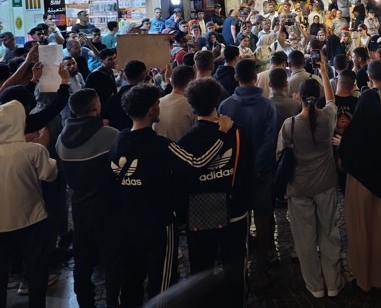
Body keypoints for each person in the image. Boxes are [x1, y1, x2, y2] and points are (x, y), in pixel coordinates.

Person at [110, 84, 232, 307]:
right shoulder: (161, 146)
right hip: (159, 225)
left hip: (127, 223)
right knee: (162, 285)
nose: (159, 107)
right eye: (157, 104)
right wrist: (222, 134)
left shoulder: (119, 140)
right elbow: (197, 163)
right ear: (150, 111)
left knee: (130, 280)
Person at [178, 77, 254, 308]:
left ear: (191, 105)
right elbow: (246, 171)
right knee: (235, 267)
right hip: (235, 211)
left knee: (202, 270)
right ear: (217, 101)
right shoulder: (237, 132)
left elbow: (183, 182)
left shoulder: (185, 142)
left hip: (200, 216)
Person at [276, 50, 344, 299]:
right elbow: (332, 100)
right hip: (326, 184)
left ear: (299, 97)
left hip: (299, 188)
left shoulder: (290, 124)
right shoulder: (328, 118)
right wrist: (325, 73)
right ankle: (334, 283)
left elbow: (280, 156)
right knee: (329, 233)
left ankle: (315, 287)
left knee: (304, 240)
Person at [56, 88, 122, 308]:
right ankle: (114, 301)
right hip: (107, 207)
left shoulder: (61, 141)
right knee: (113, 260)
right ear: (96, 107)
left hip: (79, 208)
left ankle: (85, 302)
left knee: (82, 261)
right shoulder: (110, 135)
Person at [218, 58, 278, 279]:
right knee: (263, 217)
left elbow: (224, 142)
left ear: (236, 78)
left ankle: (238, 271)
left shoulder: (226, 106)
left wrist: (240, 167)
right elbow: (270, 140)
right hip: (261, 172)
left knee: (237, 220)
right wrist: (258, 167)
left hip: (235, 173)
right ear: (255, 78)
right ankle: (263, 266)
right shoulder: (267, 105)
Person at [0, 98, 58, 308]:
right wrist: (42, 145)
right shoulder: (32, 150)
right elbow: (49, 174)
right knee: (36, 269)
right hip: (32, 219)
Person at [338, 88, 381, 293]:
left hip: (357, 187)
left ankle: (363, 280)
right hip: (380, 188)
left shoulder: (354, 128)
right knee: (380, 233)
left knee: (360, 233)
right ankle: (380, 279)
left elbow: (343, 157)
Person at [153, 65, 196, 142]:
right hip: (182, 152)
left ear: (171, 80)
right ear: (191, 81)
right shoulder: (192, 106)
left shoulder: (157, 103)